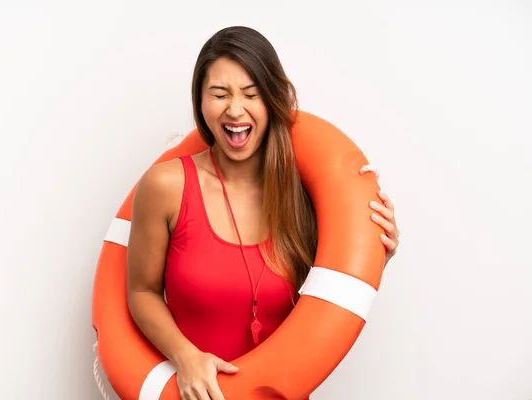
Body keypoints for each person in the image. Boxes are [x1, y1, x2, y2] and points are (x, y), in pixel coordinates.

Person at [126, 26, 400, 400]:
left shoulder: (302, 195)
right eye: (219, 94)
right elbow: (142, 292)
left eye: (251, 94)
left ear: (272, 101)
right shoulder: (166, 186)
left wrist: (378, 253)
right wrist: (186, 357)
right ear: (200, 103)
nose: (235, 109)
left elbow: (328, 293)